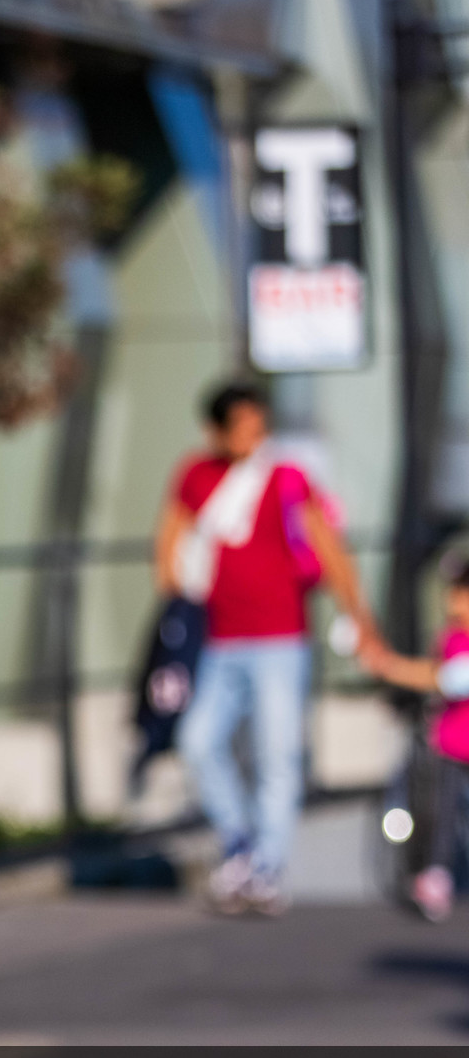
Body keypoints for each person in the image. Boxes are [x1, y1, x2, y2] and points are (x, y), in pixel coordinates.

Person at [154, 377, 377, 915]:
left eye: (259, 426)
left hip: (281, 639)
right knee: (198, 740)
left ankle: (268, 868)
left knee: (277, 755)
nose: (253, 437)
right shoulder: (196, 475)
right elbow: (168, 545)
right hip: (219, 639)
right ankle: (240, 844)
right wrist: (176, 614)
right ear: (216, 430)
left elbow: (329, 548)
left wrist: (361, 619)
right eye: (241, 427)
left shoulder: (287, 477)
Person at [359, 551, 469, 921]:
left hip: (455, 744)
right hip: (452, 747)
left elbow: (445, 678)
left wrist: (389, 666)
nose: (450, 601)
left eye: (458, 592)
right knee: (439, 814)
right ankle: (434, 877)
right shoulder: (451, 638)